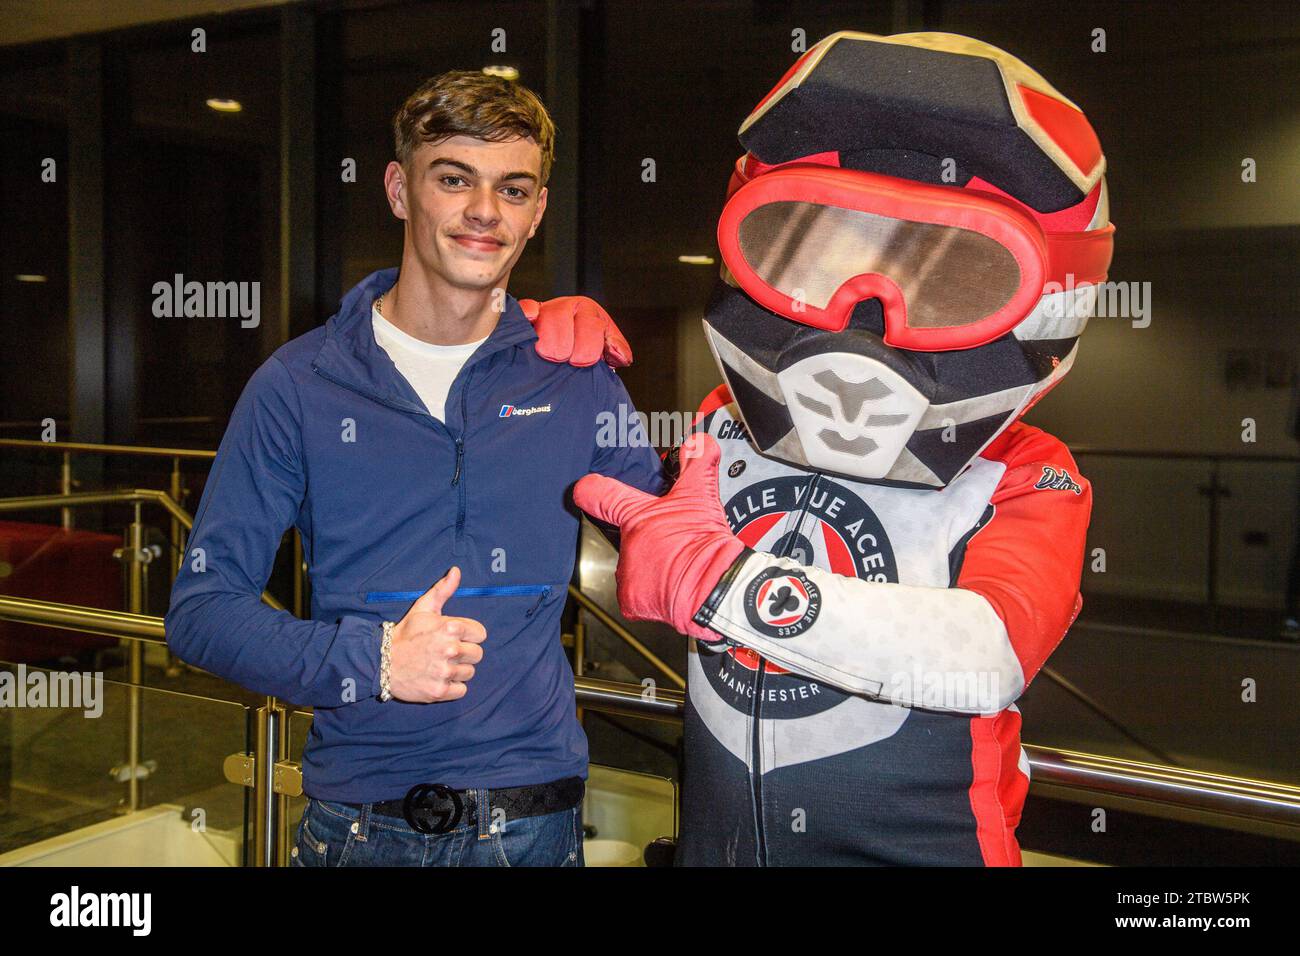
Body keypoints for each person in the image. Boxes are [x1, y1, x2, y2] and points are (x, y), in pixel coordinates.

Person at [573, 31, 1112, 865]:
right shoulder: (727, 422)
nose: (868, 309)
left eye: (953, 274)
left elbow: (989, 655)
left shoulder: (1026, 472)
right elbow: (648, 534)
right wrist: (524, 348)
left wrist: (724, 587)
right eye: (820, 253)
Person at [164, 70, 662, 867]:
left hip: (536, 821)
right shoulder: (299, 384)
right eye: (454, 180)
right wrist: (376, 660)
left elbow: (665, 537)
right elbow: (201, 610)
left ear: (536, 212)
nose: (483, 213)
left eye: (513, 189)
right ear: (400, 191)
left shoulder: (574, 371)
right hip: (361, 826)